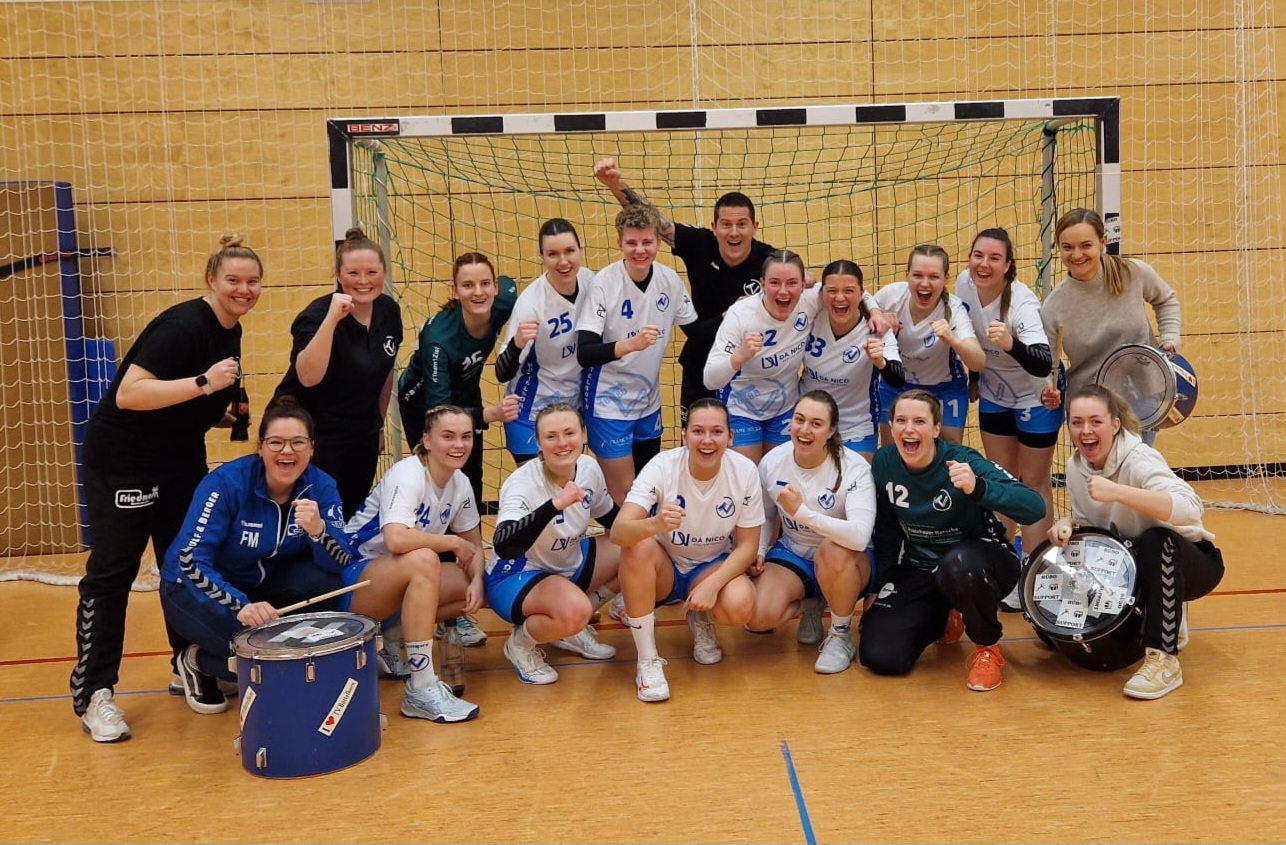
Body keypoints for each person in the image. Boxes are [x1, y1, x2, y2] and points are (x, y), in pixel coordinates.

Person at [70, 234, 262, 743]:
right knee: (113, 574)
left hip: (179, 461)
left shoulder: (231, 327)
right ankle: (95, 694)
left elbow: (178, 395)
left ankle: (187, 661)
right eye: (233, 280)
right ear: (211, 279)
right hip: (125, 464)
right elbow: (130, 393)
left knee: (185, 564)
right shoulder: (182, 325)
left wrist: (215, 413)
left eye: (252, 282)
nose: (243, 290)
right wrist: (204, 384)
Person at [159, 398, 351, 716]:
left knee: (324, 582)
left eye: (298, 442)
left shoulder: (321, 486)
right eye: (276, 442)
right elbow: (191, 561)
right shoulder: (226, 484)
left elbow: (341, 562)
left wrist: (319, 532)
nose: (287, 451)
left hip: (257, 583)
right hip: (189, 589)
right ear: (260, 447)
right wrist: (240, 606)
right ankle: (194, 660)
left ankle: (245, 657)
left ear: (311, 448)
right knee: (264, 655)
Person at [861, 389, 1046, 691]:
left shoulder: (962, 461)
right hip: (922, 567)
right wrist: (879, 585)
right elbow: (887, 528)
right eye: (901, 421)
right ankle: (943, 615)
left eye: (919, 421)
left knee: (958, 564)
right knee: (880, 656)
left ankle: (988, 647)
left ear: (936, 429)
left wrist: (978, 487)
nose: (909, 429)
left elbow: (1034, 506)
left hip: (979, 564)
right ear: (891, 427)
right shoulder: (884, 462)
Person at [1049, 384, 1224, 699]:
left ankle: (1164, 661)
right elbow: (1092, 524)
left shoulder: (1139, 458)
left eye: (1095, 421)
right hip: (1131, 564)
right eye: (1077, 422)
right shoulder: (1076, 467)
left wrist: (1118, 492)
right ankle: (1162, 610)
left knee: (1155, 540)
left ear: (1115, 425)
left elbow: (1191, 507)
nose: (1085, 431)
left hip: (1190, 562)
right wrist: (1069, 524)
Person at [398, 251, 520, 645]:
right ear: (455, 290)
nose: (478, 291)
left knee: (467, 489)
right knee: (438, 496)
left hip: (466, 396)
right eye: (467, 285)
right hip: (424, 404)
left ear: (495, 286)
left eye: (485, 283)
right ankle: (437, 601)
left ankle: (462, 595)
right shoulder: (438, 341)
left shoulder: (504, 298)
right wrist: (489, 414)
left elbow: (525, 293)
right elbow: (438, 412)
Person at [593, 158, 777, 419]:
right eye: (726, 224)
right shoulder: (699, 243)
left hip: (746, 370)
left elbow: (796, 277)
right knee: (695, 437)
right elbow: (656, 224)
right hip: (700, 360)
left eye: (741, 224)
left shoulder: (771, 261)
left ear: (754, 227)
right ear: (714, 228)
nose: (733, 232)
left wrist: (806, 276)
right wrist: (615, 186)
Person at [609, 398, 764, 702]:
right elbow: (618, 532)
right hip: (665, 568)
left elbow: (748, 546)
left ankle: (700, 616)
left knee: (740, 604)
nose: (707, 440)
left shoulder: (744, 471)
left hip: (709, 566)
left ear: (730, 437)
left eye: (717, 431)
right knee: (635, 546)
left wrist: (712, 585)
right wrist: (655, 524)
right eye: (698, 431)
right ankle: (648, 660)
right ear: (684, 435)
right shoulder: (662, 466)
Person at [339, 404, 486, 722]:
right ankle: (420, 686)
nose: (459, 444)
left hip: (391, 581)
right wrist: (450, 542)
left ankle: (391, 636)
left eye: (466, 436)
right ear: (427, 440)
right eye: (448, 436)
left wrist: (476, 580)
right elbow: (396, 540)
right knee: (424, 560)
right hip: (352, 581)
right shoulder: (408, 474)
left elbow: (474, 547)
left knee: (482, 581)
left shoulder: (460, 483)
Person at [486, 403, 621, 685]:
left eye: (569, 433)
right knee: (575, 610)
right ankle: (520, 644)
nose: (562, 443)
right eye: (551, 436)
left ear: (583, 434)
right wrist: (555, 505)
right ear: (538, 442)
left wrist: (653, 524)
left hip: (566, 564)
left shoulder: (588, 468)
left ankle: (570, 627)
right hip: (514, 576)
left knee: (636, 547)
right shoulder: (522, 484)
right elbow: (504, 546)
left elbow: (611, 517)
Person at [273, 228, 402, 518]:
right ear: (338, 275)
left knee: (350, 512)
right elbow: (308, 377)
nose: (363, 281)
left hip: (361, 432)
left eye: (371, 272)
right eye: (353, 273)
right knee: (314, 514)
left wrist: (377, 425)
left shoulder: (389, 311)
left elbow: (385, 371)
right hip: (316, 434)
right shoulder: (316, 315)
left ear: (383, 272)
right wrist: (332, 320)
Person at [575, 204, 697, 504]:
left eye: (647, 242)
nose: (640, 250)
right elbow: (585, 353)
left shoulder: (669, 280)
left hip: (647, 402)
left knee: (648, 488)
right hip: (608, 404)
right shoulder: (604, 283)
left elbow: (697, 332)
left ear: (658, 242)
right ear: (619, 243)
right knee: (625, 495)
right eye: (632, 243)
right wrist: (631, 344)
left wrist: (735, 315)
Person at [750, 391, 877, 674]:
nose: (805, 430)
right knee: (757, 618)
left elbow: (859, 536)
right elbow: (766, 516)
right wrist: (758, 550)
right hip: (795, 552)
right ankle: (813, 601)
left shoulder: (854, 468)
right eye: (799, 420)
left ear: (831, 431)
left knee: (832, 550)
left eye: (816, 424)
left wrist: (802, 513)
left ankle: (840, 634)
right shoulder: (772, 462)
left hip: (846, 559)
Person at [954, 228, 1056, 573]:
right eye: (978, 255)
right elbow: (969, 336)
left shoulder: (1022, 303)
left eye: (994, 258)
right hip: (994, 394)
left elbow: (1042, 361)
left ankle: (1036, 569)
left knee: (1033, 483)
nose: (984, 264)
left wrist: (1011, 344)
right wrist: (974, 378)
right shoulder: (963, 284)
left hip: (1035, 396)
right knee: (1001, 480)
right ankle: (1005, 567)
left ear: (1008, 265)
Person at [1039, 208, 1181, 446]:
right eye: (1067, 247)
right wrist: (1047, 390)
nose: (1077, 254)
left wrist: (1170, 338)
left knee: (1134, 467)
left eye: (1086, 245)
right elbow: (1048, 367)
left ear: (1102, 242)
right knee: (1099, 470)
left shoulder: (1132, 272)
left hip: (1143, 394)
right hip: (1090, 407)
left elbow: (1166, 299)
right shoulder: (1054, 307)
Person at [703, 249, 820, 463]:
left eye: (791, 283)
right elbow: (710, 379)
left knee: (777, 478)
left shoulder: (810, 301)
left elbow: (854, 290)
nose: (783, 291)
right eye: (775, 283)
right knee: (746, 476)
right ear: (762, 284)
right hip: (741, 409)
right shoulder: (741, 314)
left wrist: (876, 313)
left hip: (785, 409)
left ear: (803, 284)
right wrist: (739, 356)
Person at [495, 218, 596, 465]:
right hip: (530, 412)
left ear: (580, 249)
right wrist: (517, 344)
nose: (563, 261)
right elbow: (501, 373)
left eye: (569, 251)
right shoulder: (531, 304)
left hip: (571, 410)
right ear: (541, 256)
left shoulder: (589, 282)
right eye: (553, 254)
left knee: (568, 483)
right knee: (537, 486)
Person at [874, 244, 985, 445]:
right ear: (907, 275)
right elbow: (860, 311)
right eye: (917, 275)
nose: (925, 283)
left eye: (934, 277)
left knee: (949, 451)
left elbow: (978, 361)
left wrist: (953, 340)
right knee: (893, 451)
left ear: (945, 278)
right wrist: (878, 318)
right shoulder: (890, 297)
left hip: (944, 388)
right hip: (896, 385)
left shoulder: (953, 309)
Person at [801, 260, 903, 460]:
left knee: (858, 477)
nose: (840, 298)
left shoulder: (877, 329)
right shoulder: (812, 314)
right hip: (809, 420)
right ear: (822, 294)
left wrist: (881, 363)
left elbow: (898, 379)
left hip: (856, 425)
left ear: (861, 294)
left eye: (849, 291)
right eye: (832, 291)